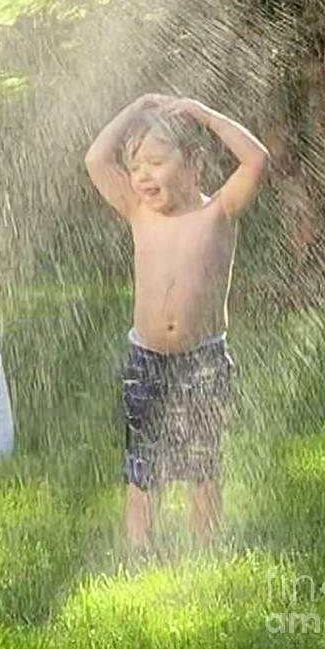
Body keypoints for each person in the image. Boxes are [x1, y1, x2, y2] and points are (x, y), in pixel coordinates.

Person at [85, 93, 269, 548]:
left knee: (200, 461)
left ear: (195, 164)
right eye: (134, 166)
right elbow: (94, 159)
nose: (143, 175)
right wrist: (134, 106)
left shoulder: (216, 213)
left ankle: (206, 546)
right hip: (145, 356)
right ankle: (138, 549)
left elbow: (256, 159)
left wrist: (202, 113)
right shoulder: (138, 211)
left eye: (156, 161)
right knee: (141, 465)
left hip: (202, 358)